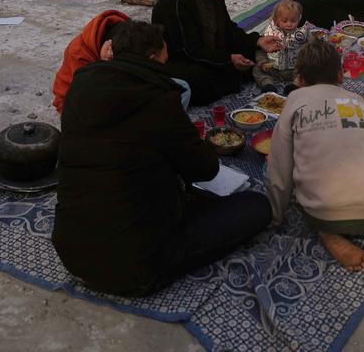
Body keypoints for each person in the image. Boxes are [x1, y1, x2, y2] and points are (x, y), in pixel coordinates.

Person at [52, 20, 272, 297]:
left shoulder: (79, 87)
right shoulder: (157, 99)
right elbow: (205, 169)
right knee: (257, 206)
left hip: (71, 251)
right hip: (135, 267)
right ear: (153, 59)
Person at [267, 40, 364, 276]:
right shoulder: (356, 101)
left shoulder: (294, 101)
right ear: (341, 75)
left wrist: (276, 217)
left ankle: (327, 232)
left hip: (321, 214)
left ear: (299, 78)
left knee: (302, 185)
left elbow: (279, 169)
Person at [153, 0, 282, 106]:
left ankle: (232, 74)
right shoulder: (176, 3)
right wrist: (228, 59)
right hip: (179, 59)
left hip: (208, 51)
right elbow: (189, 50)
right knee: (199, 79)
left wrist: (257, 40)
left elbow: (227, 28)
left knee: (252, 52)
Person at [51, 9, 190, 115]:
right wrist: (105, 68)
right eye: (159, 64)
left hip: (120, 88)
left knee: (182, 88)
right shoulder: (80, 54)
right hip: (85, 108)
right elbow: (80, 103)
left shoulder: (131, 35)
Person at [50, 9, 128, 115]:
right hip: (71, 99)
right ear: (107, 43)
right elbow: (82, 93)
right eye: (110, 52)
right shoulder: (79, 53)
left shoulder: (128, 36)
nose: (110, 55)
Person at [252, 0, 308, 94]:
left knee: (310, 69)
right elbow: (260, 51)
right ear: (276, 21)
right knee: (256, 68)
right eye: (285, 21)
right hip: (273, 69)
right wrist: (263, 63)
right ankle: (268, 84)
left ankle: (295, 84)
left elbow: (312, 49)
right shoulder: (269, 34)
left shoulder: (303, 34)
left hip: (295, 69)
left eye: (293, 21)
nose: (289, 24)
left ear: (299, 20)